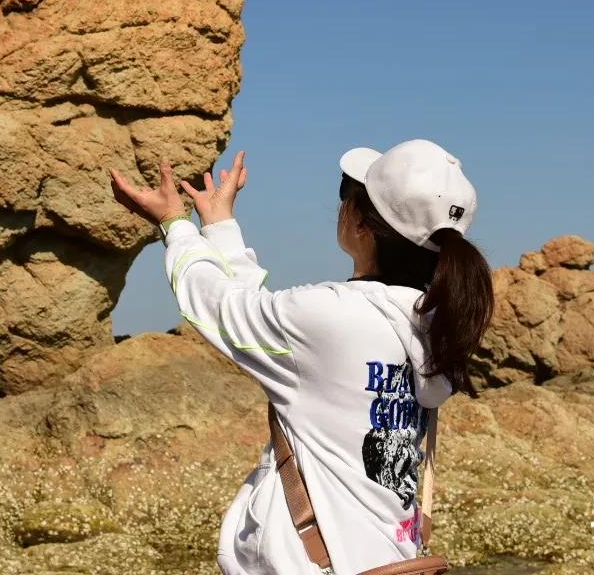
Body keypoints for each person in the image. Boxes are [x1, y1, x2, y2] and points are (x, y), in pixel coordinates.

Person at [108, 139, 496, 574]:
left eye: (348, 194)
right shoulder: (432, 325)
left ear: (364, 226)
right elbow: (257, 306)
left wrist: (175, 222)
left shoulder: (334, 316)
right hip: (389, 561)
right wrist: (220, 225)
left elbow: (216, 304)